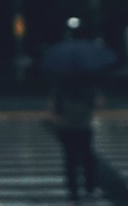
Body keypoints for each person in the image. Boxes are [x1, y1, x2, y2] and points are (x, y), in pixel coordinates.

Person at [51, 73, 98, 202]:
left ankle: (73, 192)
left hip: (67, 127)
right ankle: (90, 187)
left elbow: (57, 110)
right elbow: (93, 104)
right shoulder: (88, 87)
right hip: (84, 126)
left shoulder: (61, 87)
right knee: (87, 158)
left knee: (70, 159)